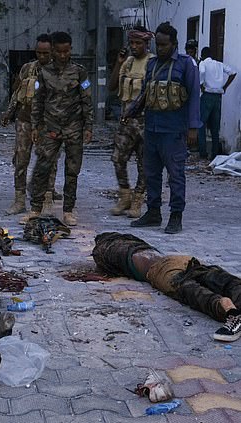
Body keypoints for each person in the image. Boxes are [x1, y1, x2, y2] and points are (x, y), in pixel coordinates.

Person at [93, 232, 241, 342]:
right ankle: (232, 302)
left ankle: (229, 312)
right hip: (179, 259)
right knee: (215, 277)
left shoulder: (105, 252)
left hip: (158, 271)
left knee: (188, 289)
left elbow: (108, 267)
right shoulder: (131, 242)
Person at [129, 22, 201, 234]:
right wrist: (131, 110)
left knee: (175, 174)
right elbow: (145, 93)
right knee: (151, 173)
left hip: (174, 129)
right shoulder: (151, 65)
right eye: (157, 45)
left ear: (173, 44)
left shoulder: (186, 64)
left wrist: (193, 128)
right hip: (152, 128)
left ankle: (176, 215)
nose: (159, 49)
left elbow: (194, 96)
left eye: (163, 45)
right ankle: (153, 212)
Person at [22, 31, 93, 227]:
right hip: (50, 127)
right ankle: (35, 209)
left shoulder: (80, 72)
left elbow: (87, 100)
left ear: (70, 50)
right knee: (42, 168)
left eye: (66, 51)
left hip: (74, 128)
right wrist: (35, 126)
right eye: (59, 51)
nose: (63, 55)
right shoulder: (43, 74)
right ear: (53, 50)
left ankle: (68, 211)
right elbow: (37, 101)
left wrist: (89, 126)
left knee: (72, 171)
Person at [2, 34, 59, 216]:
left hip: (48, 123)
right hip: (25, 120)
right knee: (21, 160)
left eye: (46, 53)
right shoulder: (27, 68)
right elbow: (17, 91)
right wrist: (9, 113)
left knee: (49, 162)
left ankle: (46, 200)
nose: (42, 56)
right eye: (38, 52)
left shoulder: (60, 71)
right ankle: (19, 200)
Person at [107, 26, 155, 218]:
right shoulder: (127, 63)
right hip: (127, 120)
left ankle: (137, 200)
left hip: (145, 120)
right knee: (118, 158)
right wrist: (118, 64)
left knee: (144, 164)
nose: (134, 46)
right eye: (132, 43)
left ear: (146, 44)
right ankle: (124, 195)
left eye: (138, 43)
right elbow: (111, 86)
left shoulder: (152, 63)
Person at [198, 46, 236, 160]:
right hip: (218, 96)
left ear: (203, 55)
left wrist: (201, 85)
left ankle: (203, 153)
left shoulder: (203, 63)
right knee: (215, 126)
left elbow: (202, 72)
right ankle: (214, 153)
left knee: (201, 124)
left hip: (207, 95)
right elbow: (232, 72)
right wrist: (225, 87)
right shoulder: (219, 64)